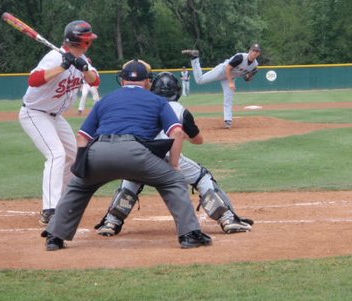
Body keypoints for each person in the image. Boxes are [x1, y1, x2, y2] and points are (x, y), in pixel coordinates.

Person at [41, 60, 213, 251]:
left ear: (122, 81)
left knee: (78, 187)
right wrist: (174, 166)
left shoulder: (105, 100)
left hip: (98, 151)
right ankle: (189, 235)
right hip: (135, 153)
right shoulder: (158, 101)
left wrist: (82, 166)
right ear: (148, 82)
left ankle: (54, 237)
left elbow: (82, 138)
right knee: (173, 181)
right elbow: (177, 134)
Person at [95, 72, 254, 237]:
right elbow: (198, 140)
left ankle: (111, 222)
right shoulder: (180, 110)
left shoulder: (143, 106)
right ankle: (227, 219)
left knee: (131, 179)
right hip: (169, 158)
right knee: (203, 177)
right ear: (176, 91)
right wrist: (183, 135)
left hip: (141, 155)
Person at [19, 20, 100, 225]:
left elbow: (94, 81)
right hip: (35, 113)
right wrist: (63, 66)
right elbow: (34, 80)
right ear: (80, 41)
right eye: (87, 39)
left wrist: (82, 67)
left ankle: (63, 200)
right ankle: (50, 209)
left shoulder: (82, 59)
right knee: (56, 154)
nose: (89, 42)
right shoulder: (54, 57)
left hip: (56, 116)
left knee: (74, 155)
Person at [182, 43, 262, 128]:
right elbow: (228, 68)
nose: (255, 53)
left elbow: (246, 78)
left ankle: (228, 121)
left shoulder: (254, 65)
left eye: (257, 51)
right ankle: (195, 57)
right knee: (199, 80)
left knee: (229, 97)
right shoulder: (241, 57)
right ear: (249, 51)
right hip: (222, 71)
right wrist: (230, 82)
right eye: (253, 50)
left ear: (259, 53)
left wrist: (249, 77)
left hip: (230, 77)